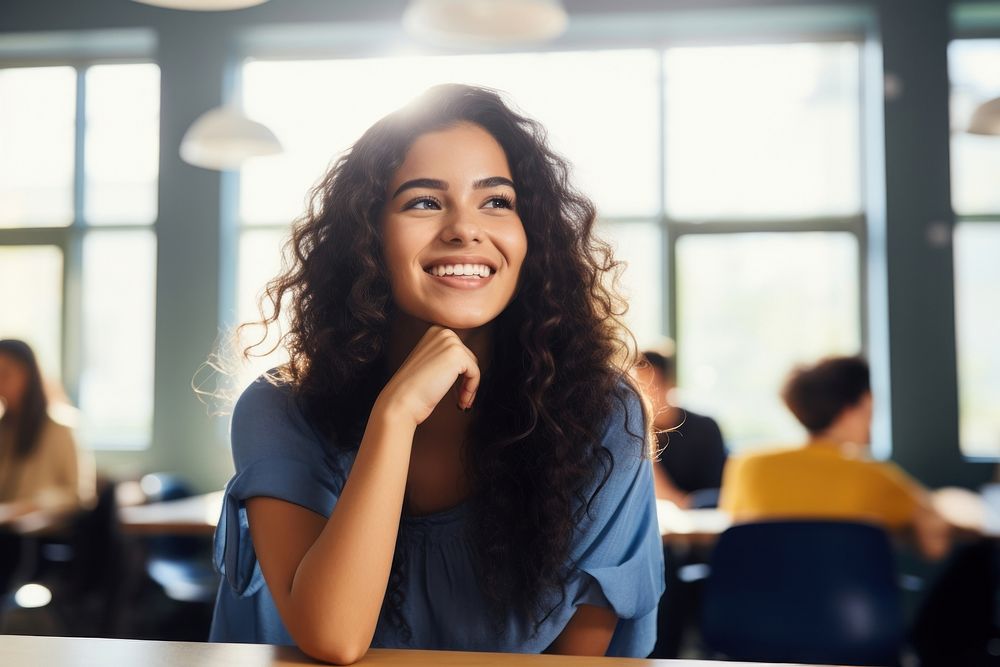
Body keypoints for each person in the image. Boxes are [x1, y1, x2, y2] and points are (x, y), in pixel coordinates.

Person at [209, 84, 664, 663]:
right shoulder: (280, 408)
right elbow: (333, 637)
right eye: (424, 202)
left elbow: (577, 658)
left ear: (534, 236)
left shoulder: (599, 411)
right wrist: (394, 417)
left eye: (497, 202)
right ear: (367, 235)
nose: (464, 229)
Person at [719, 355, 949, 560]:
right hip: (849, 607)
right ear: (860, 405)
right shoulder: (872, 476)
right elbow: (934, 547)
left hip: (754, 604)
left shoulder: (747, 465)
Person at [0, 338, 95, 595]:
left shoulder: (60, 427)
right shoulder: (4, 429)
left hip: (35, 539)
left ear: (29, 375)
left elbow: (78, 494)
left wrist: (27, 507)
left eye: (6, 374)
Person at [633, 348, 727, 508]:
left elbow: (719, 495)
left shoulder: (705, 428)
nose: (644, 396)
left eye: (649, 386)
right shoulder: (634, 435)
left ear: (670, 383)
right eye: (637, 388)